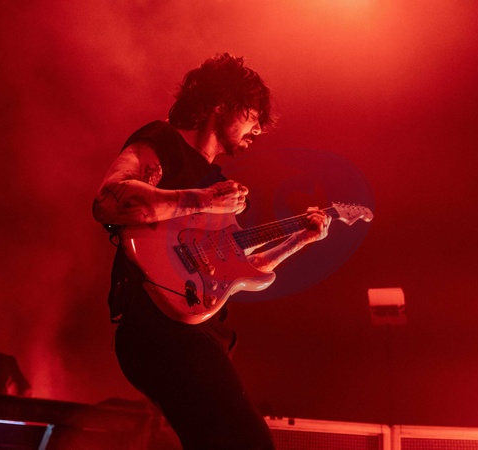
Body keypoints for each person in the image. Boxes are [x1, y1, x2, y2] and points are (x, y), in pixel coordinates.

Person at [92, 53, 331, 449]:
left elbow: (238, 268)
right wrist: (203, 200)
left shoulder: (218, 182)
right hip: (159, 326)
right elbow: (108, 200)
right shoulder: (162, 143)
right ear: (222, 103)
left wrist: (298, 240)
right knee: (248, 442)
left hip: (205, 330)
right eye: (253, 115)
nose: (258, 129)